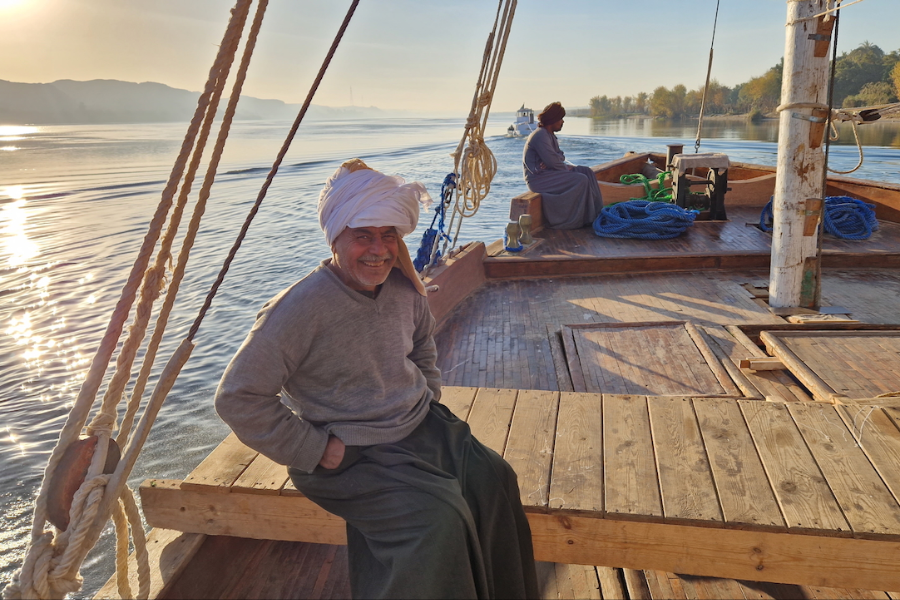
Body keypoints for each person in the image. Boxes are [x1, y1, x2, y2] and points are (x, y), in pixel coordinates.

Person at [215, 158, 538, 600]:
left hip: (420, 426)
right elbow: (238, 397)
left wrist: (427, 396)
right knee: (436, 521)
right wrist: (314, 448)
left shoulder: (405, 287)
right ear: (336, 236)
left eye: (389, 235)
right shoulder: (298, 308)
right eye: (363, 236)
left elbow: (423, 345)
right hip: (349, 453)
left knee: (496, 480)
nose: (379, 250)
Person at [522, 101, 604, 229]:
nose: (562, 122)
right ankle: (575, 220)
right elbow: (553, 161)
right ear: (553, 120)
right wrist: (562, 166)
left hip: (550, 172)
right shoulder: (540, 136)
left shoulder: (550, 135)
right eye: (561, 119)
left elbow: (560, 156)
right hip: (539, 179)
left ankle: (595, 214)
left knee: (587, 172)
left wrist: (556, 161)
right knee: (580, 179)